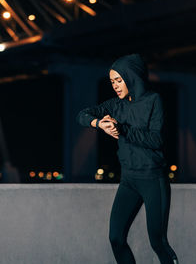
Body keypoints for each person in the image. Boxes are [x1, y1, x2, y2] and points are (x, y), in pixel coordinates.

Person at [76, 53, 179, 264]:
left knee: (158, 242)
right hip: (129, 181)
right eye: (112, 81)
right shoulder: (116, 105)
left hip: (153, 180)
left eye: (118, 80)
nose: (114, 85)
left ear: (131, 77)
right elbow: (83, 114)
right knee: (116, 238)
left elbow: (156, 139)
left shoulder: (153, 100)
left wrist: (122, 129)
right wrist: (99, 124)